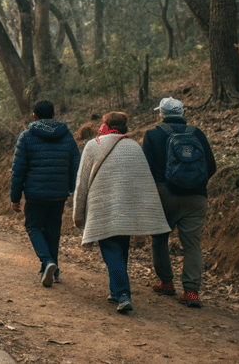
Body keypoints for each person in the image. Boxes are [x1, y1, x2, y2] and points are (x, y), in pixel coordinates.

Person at [73, 111, 170, 313]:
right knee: (120, 248)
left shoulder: (93, 145)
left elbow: (81, 183)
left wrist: (78, 214)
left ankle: (123, 293)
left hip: (102, 208)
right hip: (127, 209)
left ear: (106, 126)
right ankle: (115, 291)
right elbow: (143, 180)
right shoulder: (134, 146)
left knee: (111, 251)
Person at [142, 97, 217, 308]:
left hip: (164, 195)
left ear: (162, 114)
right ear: (182, 113)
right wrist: (193, 184)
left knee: (159, 239)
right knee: (192, 245)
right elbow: (211, 166)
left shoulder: (153, 134)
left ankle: (166, 283)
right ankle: (191, 292)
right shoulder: (197, 133)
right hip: (196, 197)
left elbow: (145, 169)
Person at [10, 100, 81, 288]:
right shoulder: (66, 136)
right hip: (59, 193)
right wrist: (72, 189)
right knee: (53, 230)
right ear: (53, 115)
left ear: (35, 117)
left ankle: (47, 261)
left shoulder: (27, 136)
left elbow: (18, 170)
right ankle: (53, 271)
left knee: (33, 227)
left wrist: (15, 197)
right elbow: (76, 164)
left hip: (35, 193)